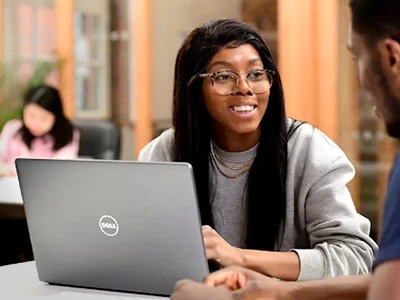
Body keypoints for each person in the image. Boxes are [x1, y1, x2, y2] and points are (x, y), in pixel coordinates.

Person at [170, 0, 400, 299]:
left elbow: (357, 260)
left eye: (256, 74)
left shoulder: (310, 151)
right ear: (194, 90)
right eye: (223, 76)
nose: (244, 87)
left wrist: (239, 257)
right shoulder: (165, 152)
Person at [0, 84, 79, 176]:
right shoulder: (13, 128)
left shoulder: (68, 133)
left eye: (44, 118)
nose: (36, 123)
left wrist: (11, 169)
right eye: (31, 115)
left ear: (56, 116)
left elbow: (62, 168)